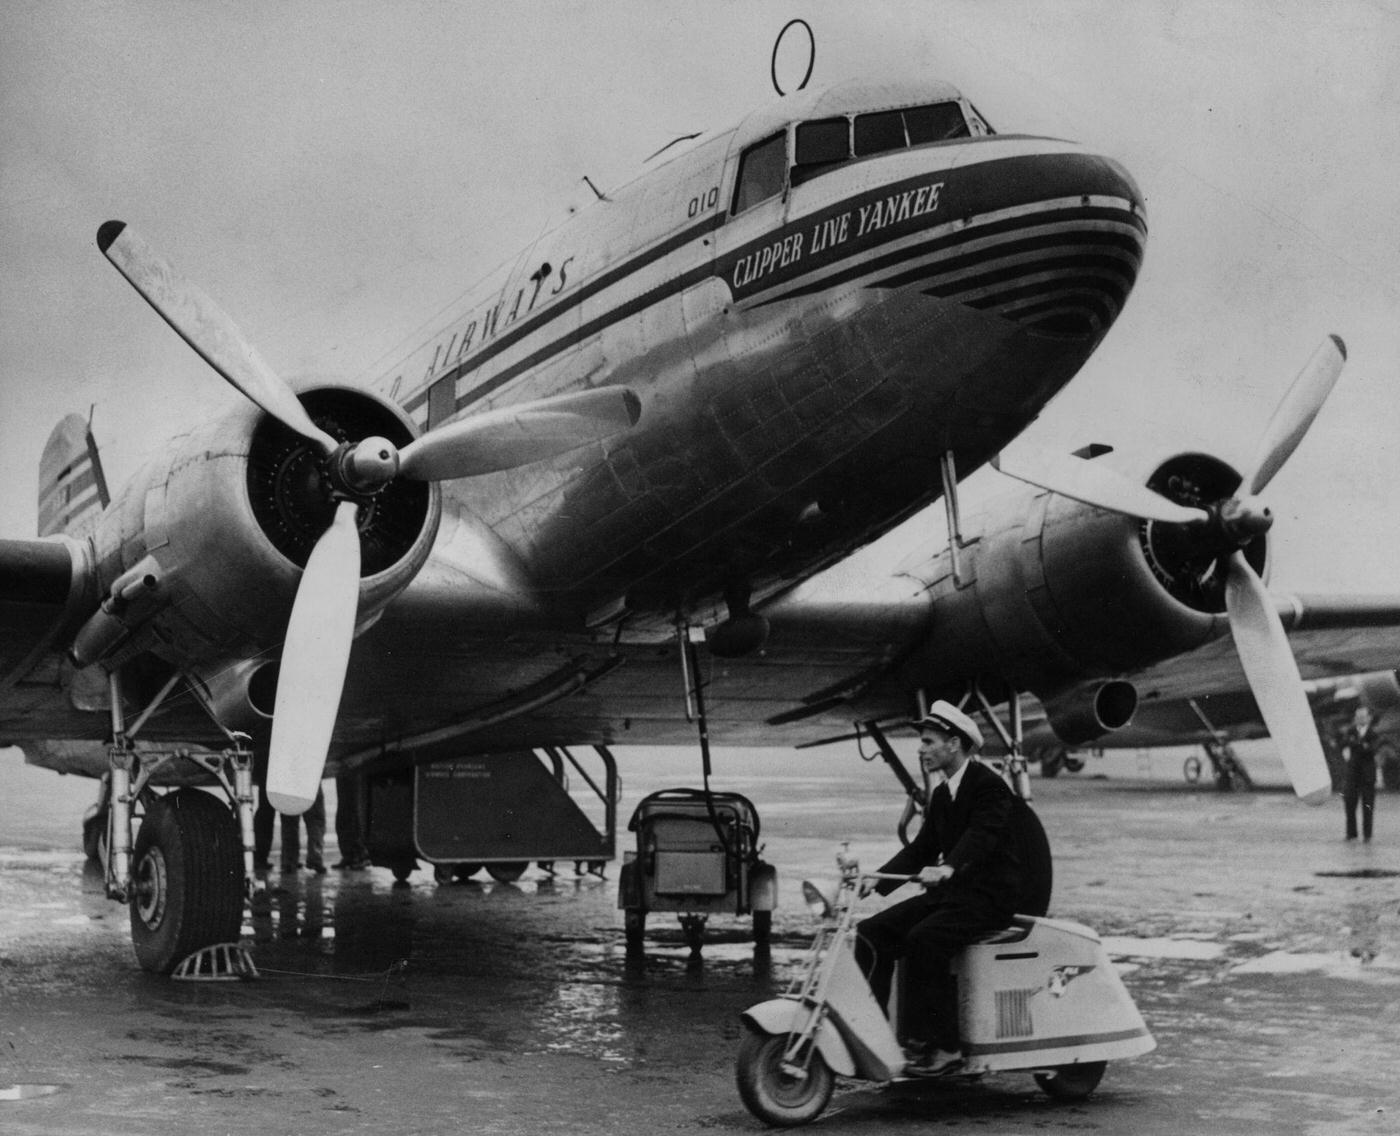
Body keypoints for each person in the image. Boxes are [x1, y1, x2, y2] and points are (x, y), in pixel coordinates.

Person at [854, 701, 1024, 1077]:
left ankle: (945, 1047)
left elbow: (983, 834)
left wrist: (948, 866)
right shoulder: (944, 794)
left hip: (988, 898)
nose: (921, 749)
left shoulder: (989, 786)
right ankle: (875, 1033)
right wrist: (876, 879)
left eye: (929, 741)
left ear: (954, 743)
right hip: (953, 895)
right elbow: (921, 848)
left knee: (924, 940)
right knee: (870, 933)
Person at [1340, 705, 1380, 842]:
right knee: (1349, 804)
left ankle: (1367, 835)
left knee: (1367, 806)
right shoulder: (1350, 730)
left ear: (1369, 718)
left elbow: (1372, 749)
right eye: (1357, 717)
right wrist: (1362, 744)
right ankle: (1351, 833)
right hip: (1352, 774)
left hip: (1368, 776)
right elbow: (1343, 743)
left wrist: (1355, 743)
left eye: (1362, 717)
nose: (1359, 719)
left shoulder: (1374, 733)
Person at [333, 771, 371, 869]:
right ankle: (349, 855)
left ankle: (359, 855)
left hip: (352, 769)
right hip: (345, 770)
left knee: (351, 812)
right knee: (345, 813)